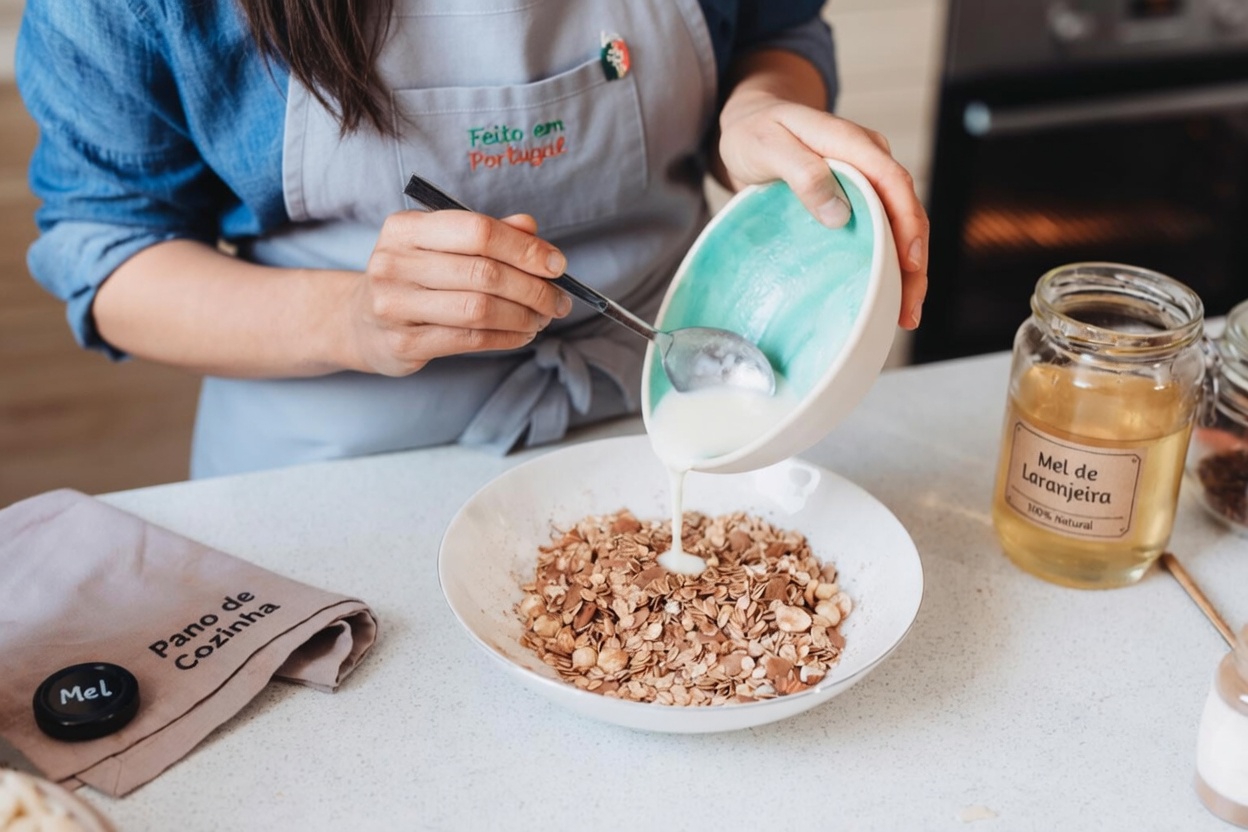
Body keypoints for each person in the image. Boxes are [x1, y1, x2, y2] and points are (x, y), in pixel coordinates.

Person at [16, 0, 929, 478]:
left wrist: (761, 105)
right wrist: (353, 321)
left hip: (667, 404)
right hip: (339, 463)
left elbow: (778, 29)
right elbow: (110, 247)